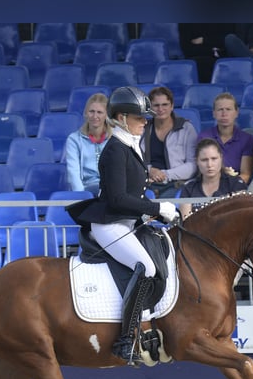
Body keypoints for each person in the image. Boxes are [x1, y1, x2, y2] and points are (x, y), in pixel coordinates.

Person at [67, 86, 178, 363]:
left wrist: (147, 215)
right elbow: (117, 199)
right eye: (140, 118)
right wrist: (156, 207)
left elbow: (131, 196)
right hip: (110, 225)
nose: (145, 122)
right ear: (121, 118)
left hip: (127, 222)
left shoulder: (130, 145)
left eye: (145, 118)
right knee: (147, 268)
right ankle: (126, 340)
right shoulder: (115, 150)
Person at [141, 85, 198, 198]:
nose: (160, 109)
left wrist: (165, 175)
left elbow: (193, 165)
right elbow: (135, 160)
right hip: (148, 182)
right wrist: (150, 170)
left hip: (177, 184)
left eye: (165, 104)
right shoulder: (142, 129)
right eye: (156, 105)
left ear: (172, 106)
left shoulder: (186, 128)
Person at [195, 92, 253, 183]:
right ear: (214, 113)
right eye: (220, 110)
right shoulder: (204, 137)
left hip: (235, 187)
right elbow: (201, 170)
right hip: (209, 185)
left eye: (228, 109)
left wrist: (229, 185)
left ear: (236, 113)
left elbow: (245, 175)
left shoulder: (247, 139)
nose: (224, 114)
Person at [179, 138, 246, 218]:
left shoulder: (235, 184)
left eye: (214, 159)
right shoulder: (189, 188)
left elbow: (241, 217)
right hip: (195, 230)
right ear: (197, 161)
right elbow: (185, 223)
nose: (209, 165)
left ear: (221, 158)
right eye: (204, 160)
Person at [64, 92, 112, 196]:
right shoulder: (74, 139)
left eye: (99, 112)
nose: (95, 116)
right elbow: (73, 172)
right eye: (91, 111)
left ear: (106, 115)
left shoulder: (115, 138)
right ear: (86, 113)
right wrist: (81, 196)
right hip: (86, 188)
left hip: (111, 188)